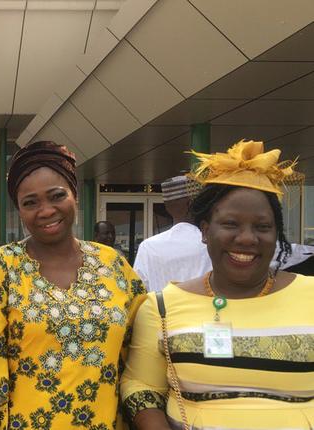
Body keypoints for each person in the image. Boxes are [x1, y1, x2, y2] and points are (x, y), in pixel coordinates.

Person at [121, 140, 314, 429]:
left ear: (277, 234)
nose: (247, 238)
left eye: (262, 227)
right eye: (231, 224)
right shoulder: (161, 307)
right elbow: (140, 385)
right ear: (205, 231)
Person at [0, 141, 146, 430]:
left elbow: (142, 359)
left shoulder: (114, 266)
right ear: (19, 210)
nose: (45, 211)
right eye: (30, 202)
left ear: (74, 195)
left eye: (56, 196)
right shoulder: (1, 268)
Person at [132, 175, 211, 292]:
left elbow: (138, 291)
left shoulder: (148, 247)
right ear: (190, 204)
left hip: (160, 310)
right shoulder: (211, 242)